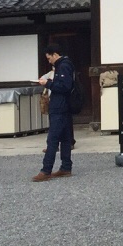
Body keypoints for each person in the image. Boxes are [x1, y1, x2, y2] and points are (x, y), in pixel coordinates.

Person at [33, 43, 75, 181]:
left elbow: (64, 86)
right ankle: (66, 167)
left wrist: (48, 83)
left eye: (49, 58)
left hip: (59, 107)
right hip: (65, 106)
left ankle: (46, 170)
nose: (49, 60)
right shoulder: (65, 65)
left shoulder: (63, 66)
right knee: (65, 138)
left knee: (52, 139)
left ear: (55, 54)